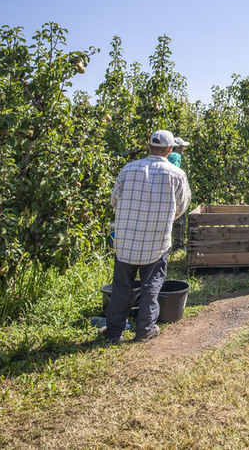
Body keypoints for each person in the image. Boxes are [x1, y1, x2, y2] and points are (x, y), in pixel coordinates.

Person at [102, 129, 191, 343]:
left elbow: (114, 199)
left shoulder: (129, 168)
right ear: (170, 150)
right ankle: (144, 329)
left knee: (122, 286)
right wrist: (165, 217)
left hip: (126, 239)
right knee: (151, 285)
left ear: (148, 146)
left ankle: (114, 331)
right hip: (156, 239)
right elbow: (182, 207)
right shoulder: (176, 174)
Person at [169, 136, 190, 249]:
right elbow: (174, 173)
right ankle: (178, 245)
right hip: (173, 192)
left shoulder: (166, 156)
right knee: (179, 219)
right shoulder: (175, 156)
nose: (183, 149)